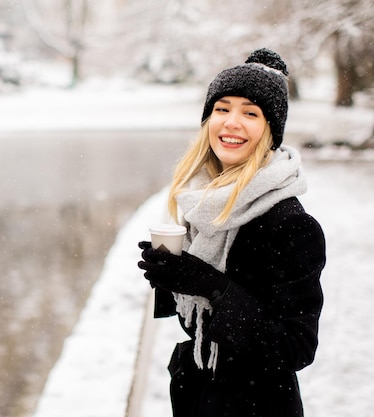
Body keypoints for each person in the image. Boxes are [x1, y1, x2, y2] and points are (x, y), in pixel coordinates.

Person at [137, 48, 326, 417]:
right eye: (222, 108)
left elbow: (296, 347)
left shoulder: (291, 224)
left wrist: (210, 285)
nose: (231, 122)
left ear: (271, 130)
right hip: (201, 396)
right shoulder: (204, 203)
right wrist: (172, 277)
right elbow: (197, 323)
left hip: (258, 406)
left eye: (250, 113)